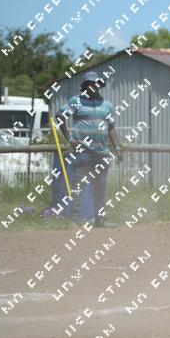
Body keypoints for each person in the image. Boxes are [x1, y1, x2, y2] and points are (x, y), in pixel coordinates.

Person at [55, 71, 122, 227]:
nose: (93, 86)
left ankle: (100, 219)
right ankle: (74, 218)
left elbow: (111, 128)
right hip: (83, 151)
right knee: (79, 184)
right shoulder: (76, 101)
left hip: (103, 152)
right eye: (90, 84)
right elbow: (59, 115)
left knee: (100, 187)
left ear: (99, 85)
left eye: (95, 84)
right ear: (85, 86)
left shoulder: (107, 105)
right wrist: (70, 139)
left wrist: (117, 147)